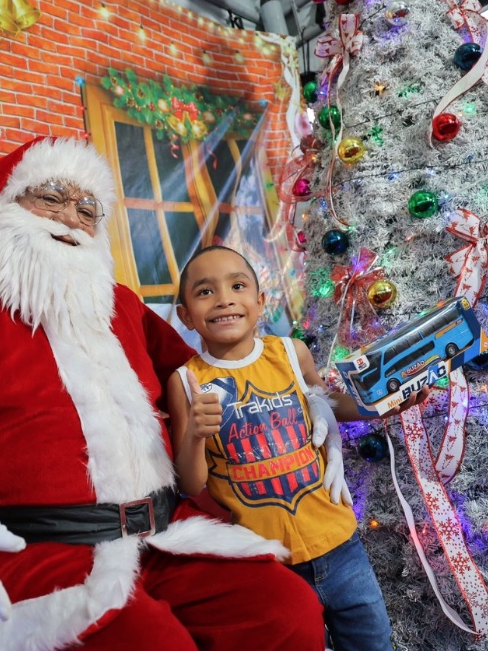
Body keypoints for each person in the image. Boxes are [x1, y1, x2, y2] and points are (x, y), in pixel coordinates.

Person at [0, 136, 328, 650]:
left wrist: (305, 394)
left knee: (285, 611)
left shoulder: (118, 303)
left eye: (88, 208)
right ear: (7, 204)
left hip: (165, 535)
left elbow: (205, 372)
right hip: (40, 549)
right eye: (50, 198)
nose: (71, 217)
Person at [169, 245, 426, 651]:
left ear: (260, 301)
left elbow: (326, 405)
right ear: (185, 314)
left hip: (340, 544)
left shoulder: (290, 352)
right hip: (267, 562)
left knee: (373, 642)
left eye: (237, 285)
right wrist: (196, 435)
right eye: (204, 292)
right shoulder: (186, 382)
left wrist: (377, 407)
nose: (224, 299)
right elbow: (190, 481)